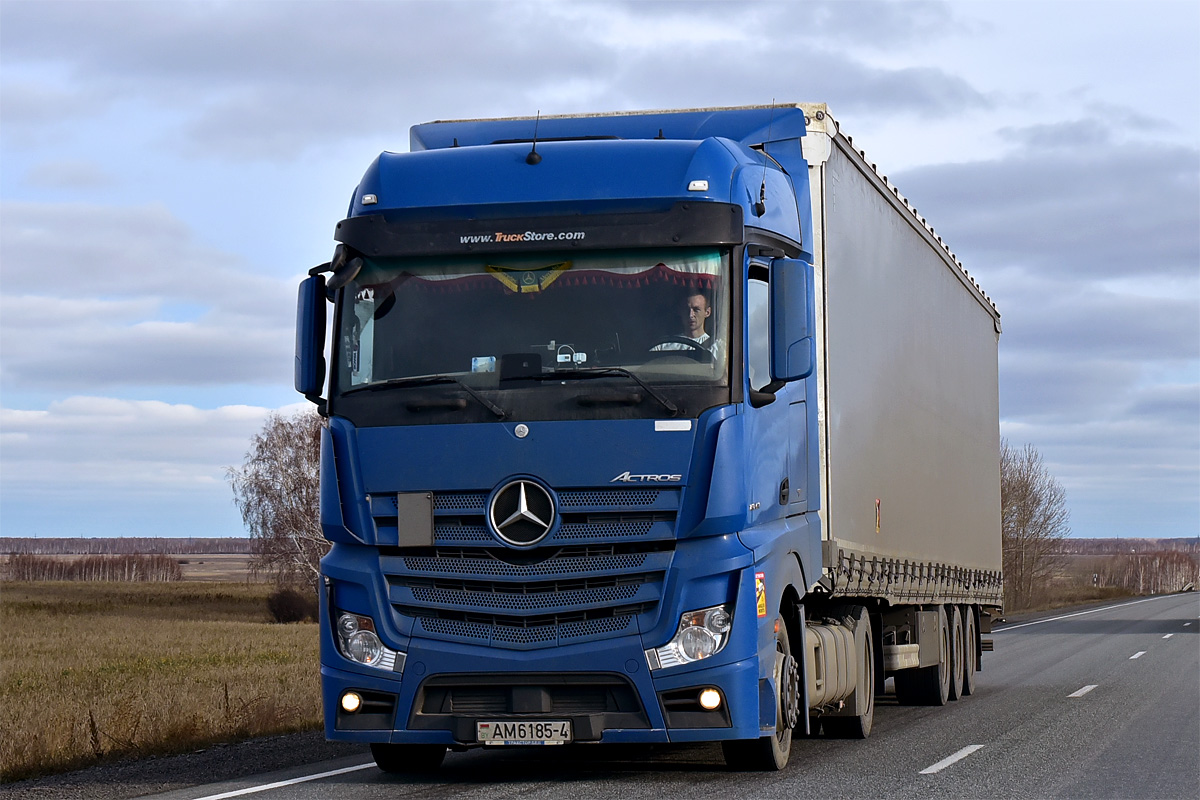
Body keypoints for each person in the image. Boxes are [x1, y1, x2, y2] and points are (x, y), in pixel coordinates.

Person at [651, 290, 723, 362]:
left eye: (696, 309)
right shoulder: (663, 347)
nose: (691, 315)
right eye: (686, 309)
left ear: (707, 312)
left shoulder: (718, 348)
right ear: (680, 311)